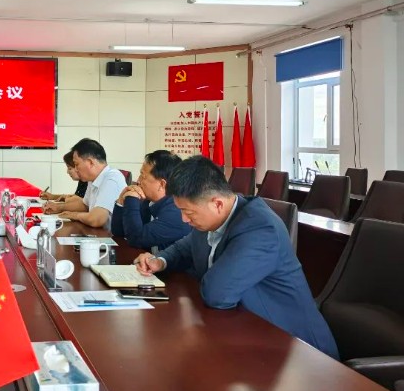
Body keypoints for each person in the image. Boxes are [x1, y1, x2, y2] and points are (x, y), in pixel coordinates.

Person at [135, 156, 339, 359]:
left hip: (297, 352)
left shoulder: (261, 229)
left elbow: (217, 293)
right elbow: (185, 247)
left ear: (217, 204)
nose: (184, 219)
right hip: (247, 334)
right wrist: (160, 261)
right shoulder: (212, 218)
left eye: (188, 212)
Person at [111, 150, 191, 251]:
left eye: (143, 176)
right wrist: (121, 201)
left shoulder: (176, 212)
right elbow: (118, 232)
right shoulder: (148, 202)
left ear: (162, 184)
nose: (138, 181)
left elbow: (136, 239)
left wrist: (131, 199)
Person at [44, 138, 126, 228]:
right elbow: (85, 205)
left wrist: (74, 215)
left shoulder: (112, 178)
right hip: (97, 232)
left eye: (76, 164)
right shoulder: (93, 179)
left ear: (90, 162)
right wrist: (59, 208)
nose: (75, 169)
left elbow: (97, 219)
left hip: (110, 236)